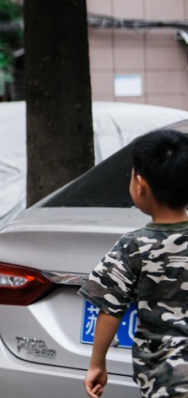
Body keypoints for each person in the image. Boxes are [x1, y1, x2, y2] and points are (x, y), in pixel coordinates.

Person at [80, 128, 188, 398]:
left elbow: (110, 308)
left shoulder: (133, 246)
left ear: (140, 185)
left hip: (164, 382)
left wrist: (97, 364)